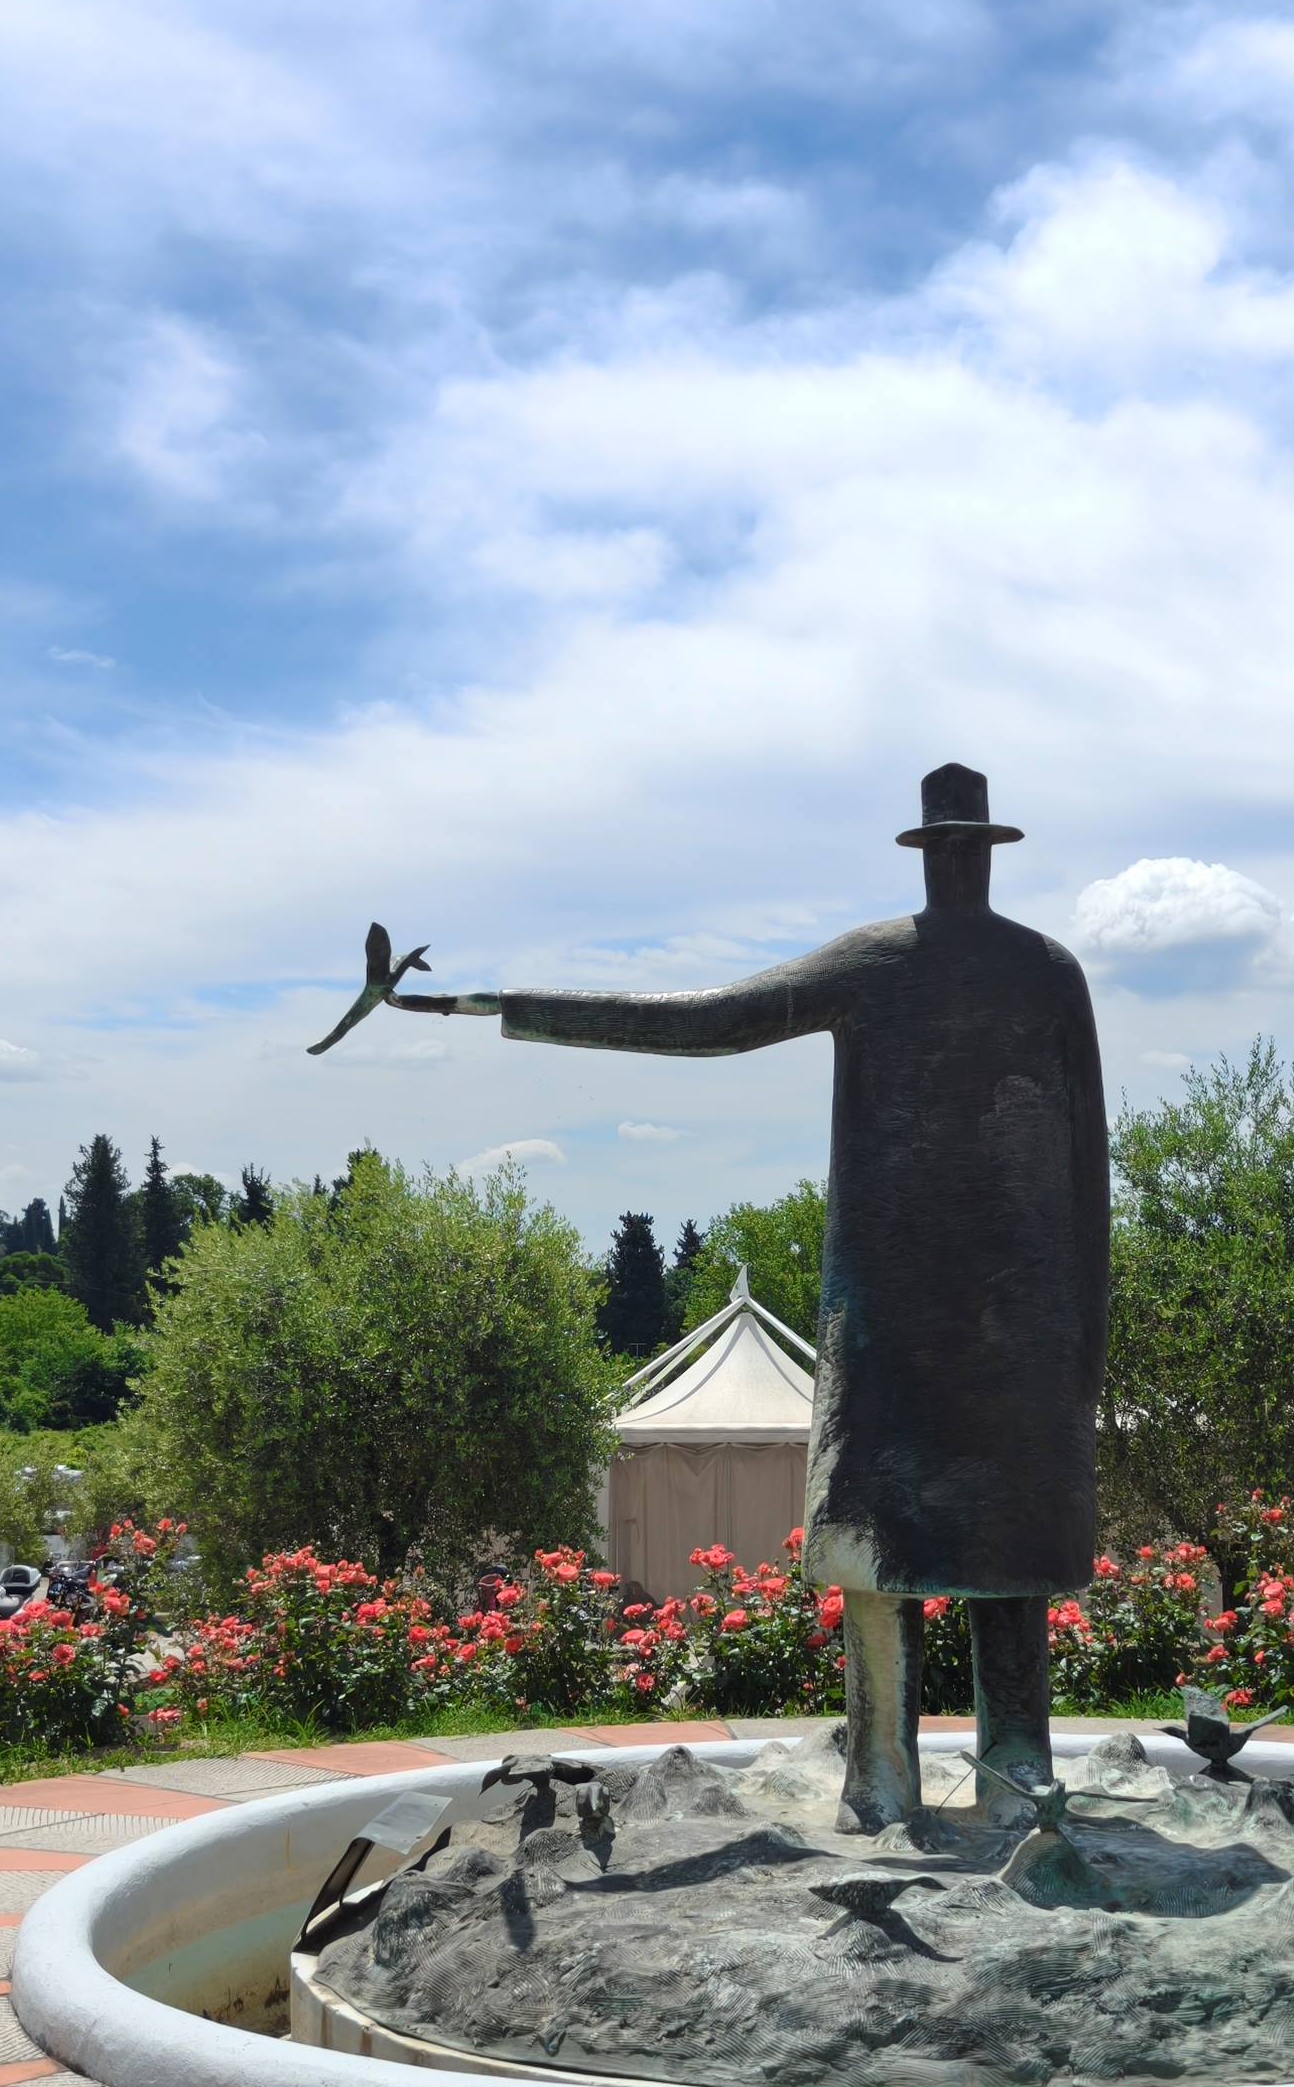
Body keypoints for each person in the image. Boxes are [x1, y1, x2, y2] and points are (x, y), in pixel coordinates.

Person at [362, 764, 1106, 1827]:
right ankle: (929, 1776)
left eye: (959, 848)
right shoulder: (1003, 966)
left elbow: (1087, 1162)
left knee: (956, 1551)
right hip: (971, 1311)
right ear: (961, 851)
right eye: (953, 848)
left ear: (963, 851)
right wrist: (495, 1004)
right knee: (914, 1549)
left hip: (978, 1312)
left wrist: (1084, 1336)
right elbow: (710, 1022)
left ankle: (950, 1776)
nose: (956, 863)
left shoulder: (1002, 967)